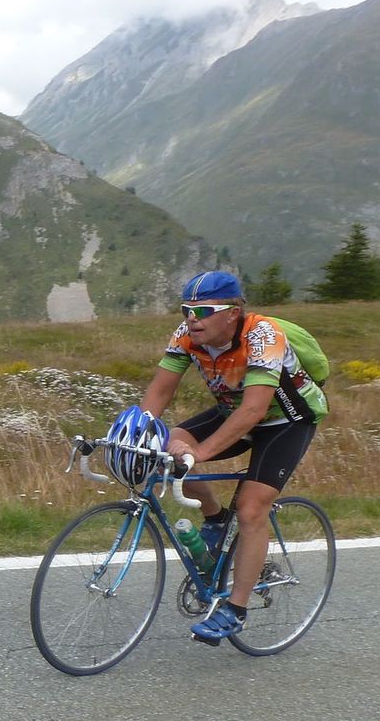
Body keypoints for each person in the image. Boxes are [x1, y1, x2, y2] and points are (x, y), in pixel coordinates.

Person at [137, 270, 327, 643]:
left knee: (252, 508)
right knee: (166, 448)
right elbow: (160, 391)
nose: (192, 318)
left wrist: (200, 452)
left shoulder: (263, 336)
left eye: (203, 311)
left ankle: (235, 610)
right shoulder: (186, 335)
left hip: (286, 420)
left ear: (233, 313)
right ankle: (215, 517)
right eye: (186, 310)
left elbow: (254, 411)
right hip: (232, 410)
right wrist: (137, 432)